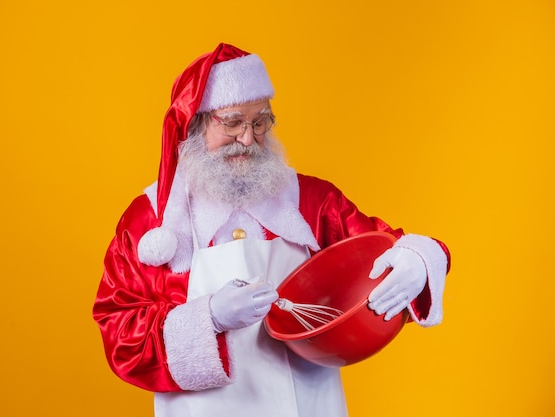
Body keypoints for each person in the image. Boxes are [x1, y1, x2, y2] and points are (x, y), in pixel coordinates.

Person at [92, 43, 450, 417]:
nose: (248, 138)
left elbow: (384, 248)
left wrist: (417, 261)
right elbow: (118, 330)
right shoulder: (151, 221)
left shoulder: (312, 200)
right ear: (196, 124)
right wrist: (209, 317)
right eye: (232, 123)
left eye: (260, 122)